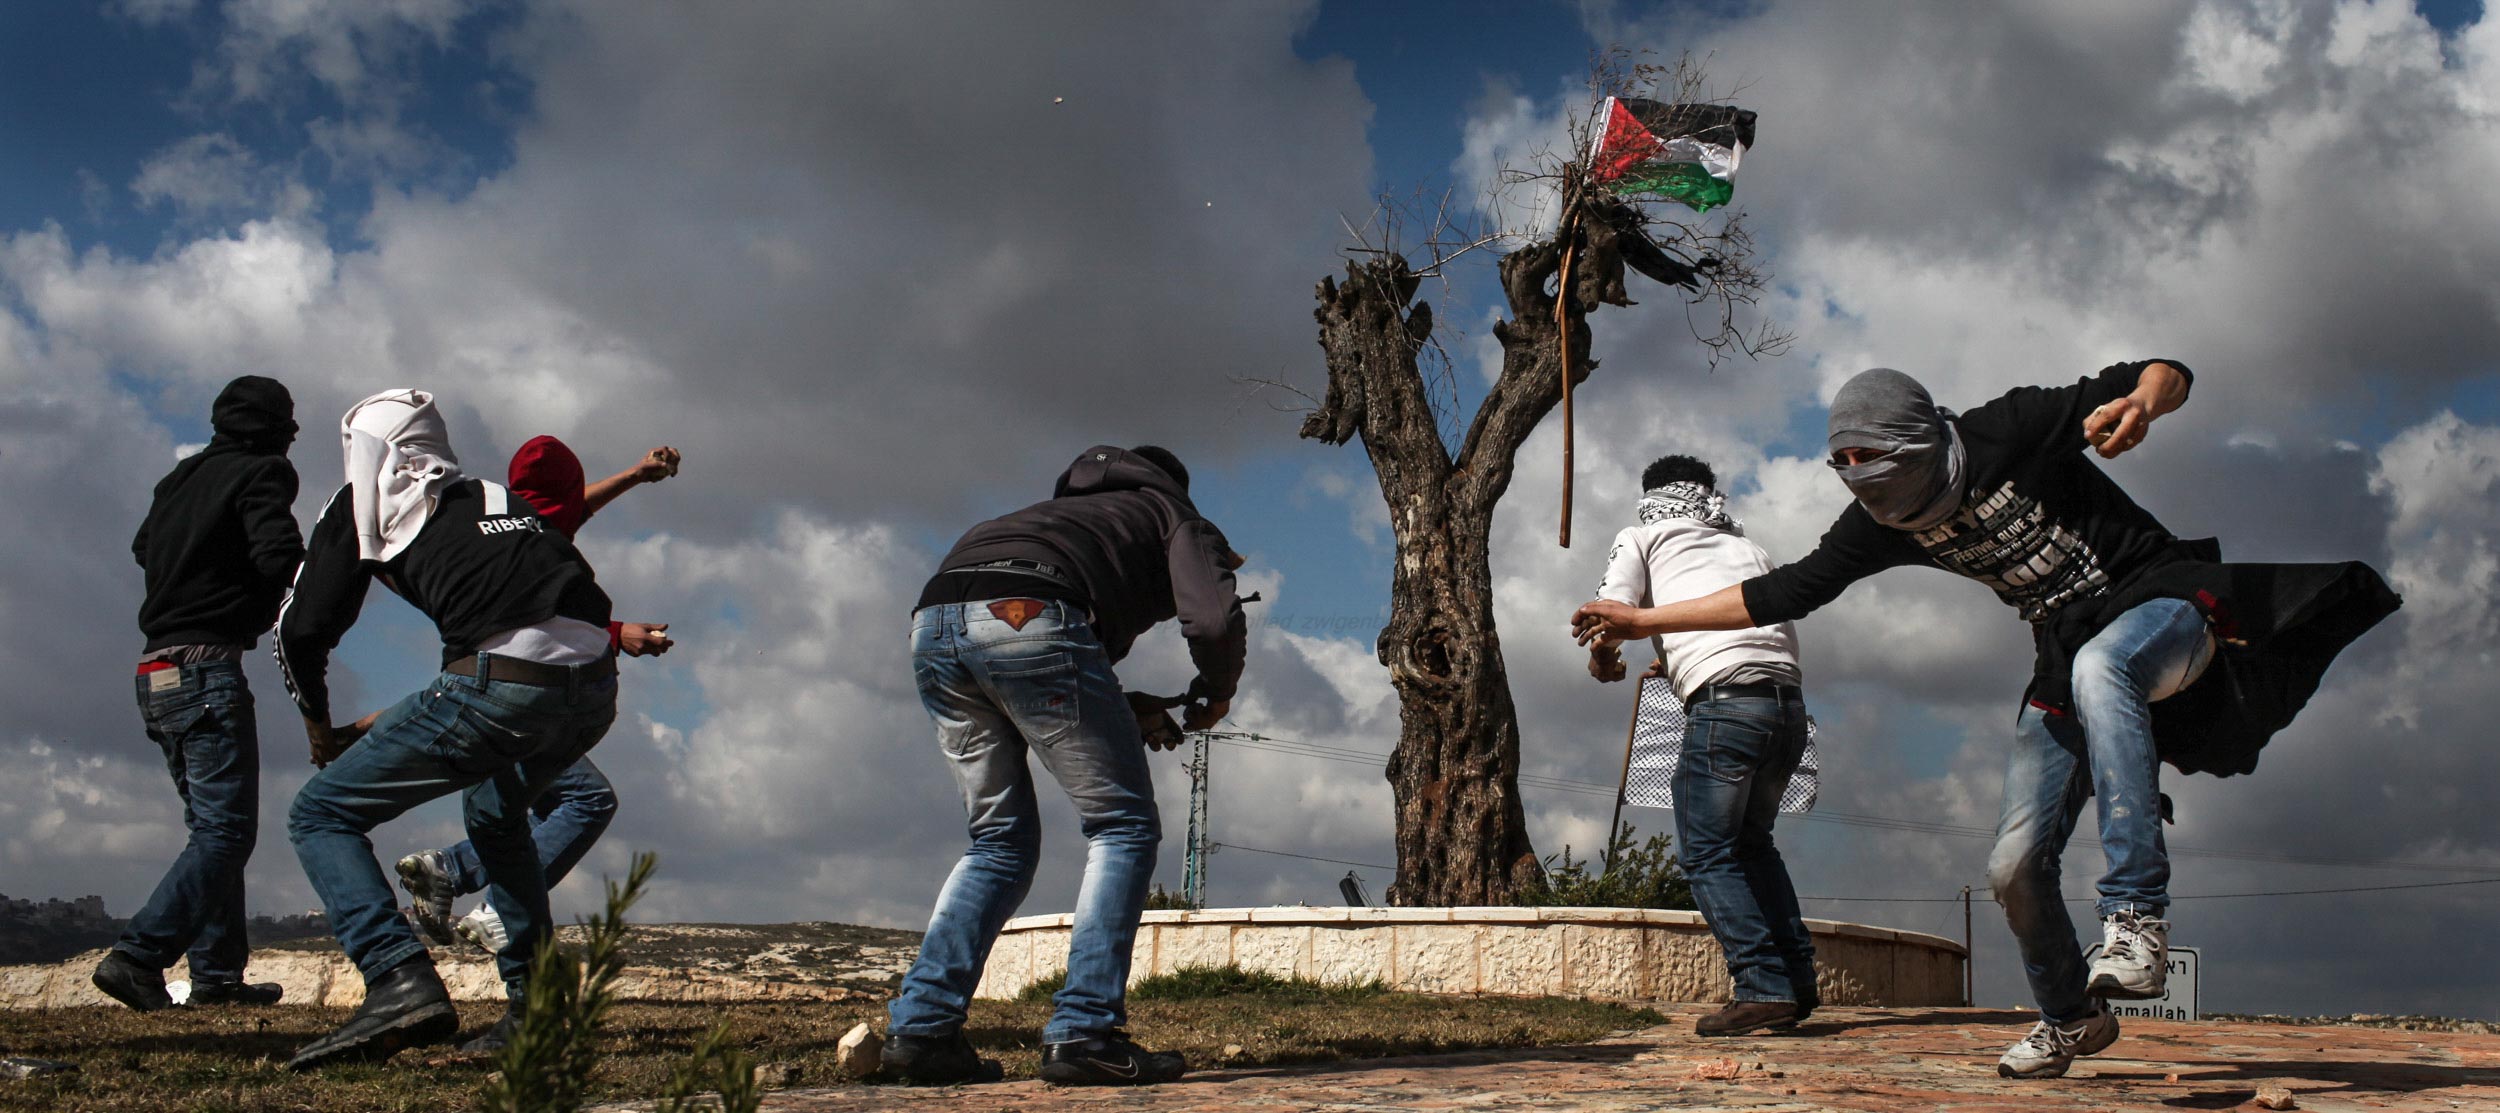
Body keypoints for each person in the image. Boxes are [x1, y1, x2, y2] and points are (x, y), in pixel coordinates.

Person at [1572, 362, 2398, 1080]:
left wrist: (2144, 403)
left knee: (2104, 665)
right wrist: (1643, 622)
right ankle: (2072, 1014)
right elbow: (1782, 591)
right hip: (2062, 651)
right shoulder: (1879, 527)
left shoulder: (2006, 430)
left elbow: (2165, 369)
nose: (1860, 479)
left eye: (1871, 457)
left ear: (1918, 441)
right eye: (1843, 464)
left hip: (2160, 599)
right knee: (2012, 865)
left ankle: (2135, 915)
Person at [275, 390, 622, 1069]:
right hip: (595, 688)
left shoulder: (363, 503)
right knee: (496, 815)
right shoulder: (494, 497)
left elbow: (302, 629)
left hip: (499, 683)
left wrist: (318, 725)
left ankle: (396, 977)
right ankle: (536, 1010)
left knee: (320, 814)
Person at [881, 445, 1247, 1087]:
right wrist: (1217, 692)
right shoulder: (1170, 514)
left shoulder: (1046, 518)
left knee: (997, 842)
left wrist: (1123, 706)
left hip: (934, 624)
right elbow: (1213, 621)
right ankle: (1084, 1032)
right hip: (1030, 614)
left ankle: (921, 1031)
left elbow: (1047, 656)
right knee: (1122, 827)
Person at [394, 437, 680, 955]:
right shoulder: (534, 545)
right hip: (516, 698)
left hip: (480, 692)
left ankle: (451, 871)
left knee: (528, 809)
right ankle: (486, 899)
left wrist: (635, 475)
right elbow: (534, 622)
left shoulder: (510, 524)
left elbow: (573, 509)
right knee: (586, 800)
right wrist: (618, 634)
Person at [1585, 453, 1816, 1036]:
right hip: (1787, 709)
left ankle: (1761, 984)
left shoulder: (1642, 536)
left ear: (1650, 497)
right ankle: (1796, 981)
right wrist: (1674, 660)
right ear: (1709, 496)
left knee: (1707, 853)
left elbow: (1609, 614)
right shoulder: (1747, 546)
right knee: (1754, 846)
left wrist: (1604, 659)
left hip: (1725, 709)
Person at [92, 376, 305, 1012]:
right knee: (227, 832)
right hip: (206, 669)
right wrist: (309, 586)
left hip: (155, 671)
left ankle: (216, 976)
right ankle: (138, 956)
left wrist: (194, 573)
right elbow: (278, 556)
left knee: (210, 829)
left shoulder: (179, 480)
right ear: (273, 430)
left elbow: (143, 546)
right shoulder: (263, 472)